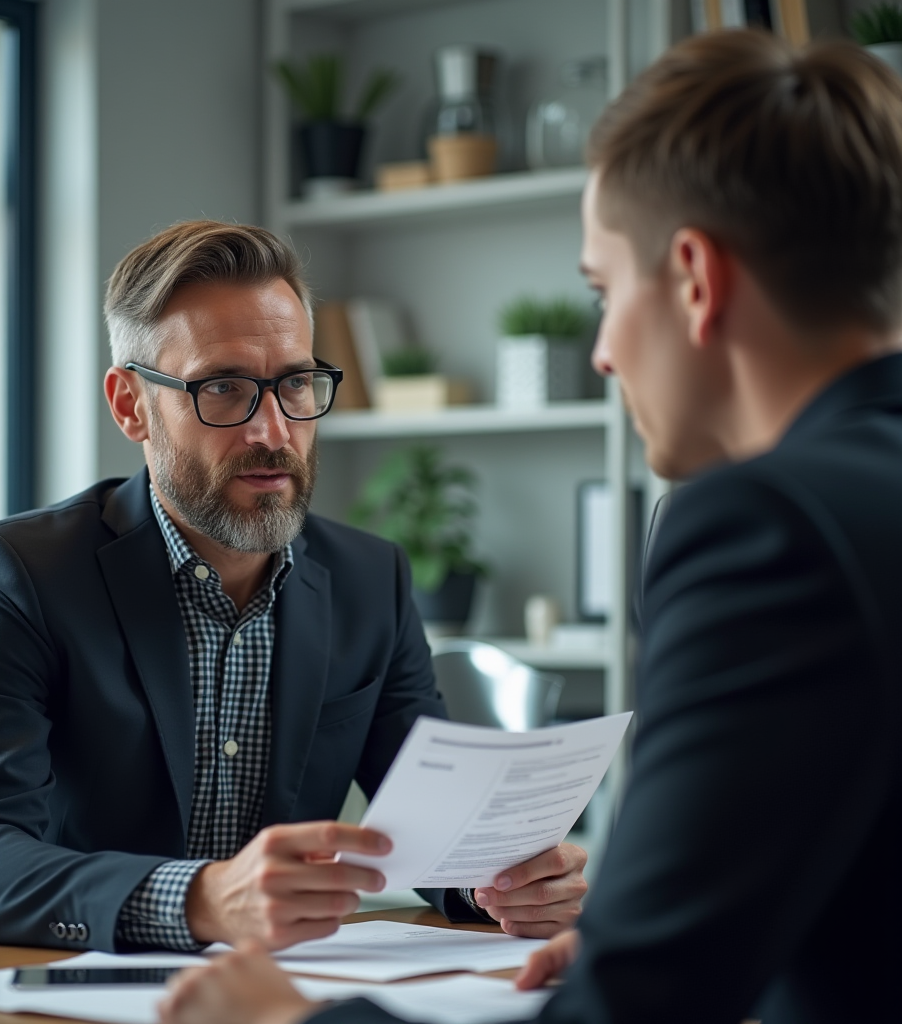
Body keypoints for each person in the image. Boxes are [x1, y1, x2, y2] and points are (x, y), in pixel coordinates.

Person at [155, 29, 902, 1024]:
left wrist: (281, 1021)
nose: (598, 354)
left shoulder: (763, 526)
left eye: (601, 292)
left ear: (693, 278)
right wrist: (642, 942)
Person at [0, 221, 588, 953]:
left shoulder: (371, 580)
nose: (273, 430)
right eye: (225, 388)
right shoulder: (23, 574)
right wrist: (201, 899)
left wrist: (500, 880)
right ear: (130, 405)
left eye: (295, 383)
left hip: (288, 994)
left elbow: (437, 832)